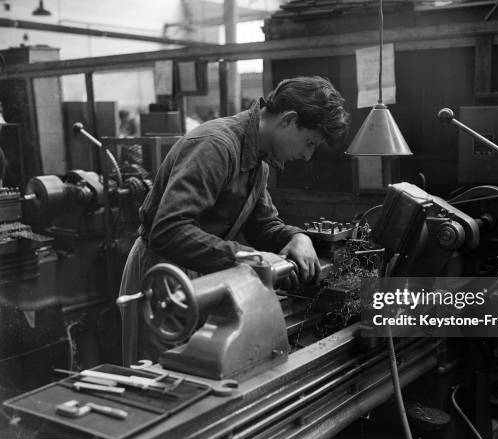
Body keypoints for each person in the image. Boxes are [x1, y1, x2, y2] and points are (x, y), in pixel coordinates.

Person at [118, 76, 350, 364]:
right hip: (163, 274)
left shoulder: (258, 161)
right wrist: (250, 259)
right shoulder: (216, 146)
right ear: (288, 120)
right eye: (309, 143)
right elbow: (169, 231)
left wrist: (295, 237)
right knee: (162, 382)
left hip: (203, 272)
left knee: (201, 371)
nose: (306, 156)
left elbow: (262, 224)